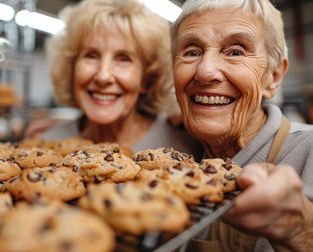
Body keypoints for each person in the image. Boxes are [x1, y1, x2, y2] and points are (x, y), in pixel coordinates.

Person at [170, 0, 313, 251]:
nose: (205, 71)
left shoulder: (308, 153)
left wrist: (302, 231)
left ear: (274, 77)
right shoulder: (171, 150)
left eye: (236, 51)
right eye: (192, 51)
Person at [39, 0, 201, 155]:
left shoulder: (186, 143)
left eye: (123, 59)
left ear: (147, 78)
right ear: (72, 68)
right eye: (91, 56)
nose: (103, 76)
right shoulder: (45, 144)